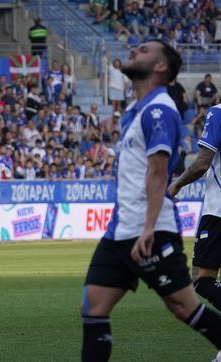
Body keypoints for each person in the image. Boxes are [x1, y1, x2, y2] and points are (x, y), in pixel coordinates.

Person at [80, 40, 221, 361]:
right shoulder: (135, 110)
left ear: (161, 67)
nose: (133, 51)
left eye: (143, 50)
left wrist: (147, 228)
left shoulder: (159, 109)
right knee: (93, 306)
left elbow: (158, 173)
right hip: (120, 231)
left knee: (184, 306)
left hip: (150, 229)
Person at [168, 103, 221, 360]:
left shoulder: (218, 112)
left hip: (219, 211)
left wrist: (176, 185)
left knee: (202, 278)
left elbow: (202, 163)